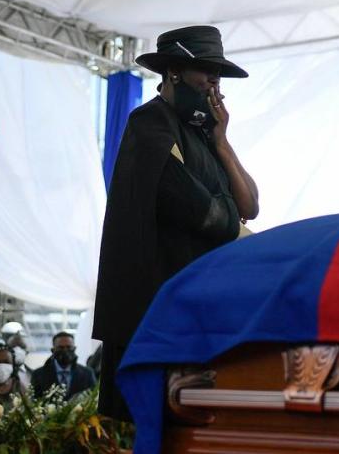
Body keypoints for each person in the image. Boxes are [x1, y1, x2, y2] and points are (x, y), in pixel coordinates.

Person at [93, 25, 259, 421]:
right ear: (174, 73)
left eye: (218, 75)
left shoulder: (204, 134)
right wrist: (240, 229)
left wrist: (222, 141)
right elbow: (201, 211)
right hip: (161, 308)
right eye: (205, 71)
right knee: (164, 423)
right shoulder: (149, 123)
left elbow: (249, 205)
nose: (214, 83)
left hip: (203, 304)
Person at [30, 332, 96, 401]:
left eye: (69, 347)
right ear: (53, 350)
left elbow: (93, 399)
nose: (65, 350)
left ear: (74, 349)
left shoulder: (87, 374)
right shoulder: (38, 375)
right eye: (60, 348)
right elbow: (34, 402)